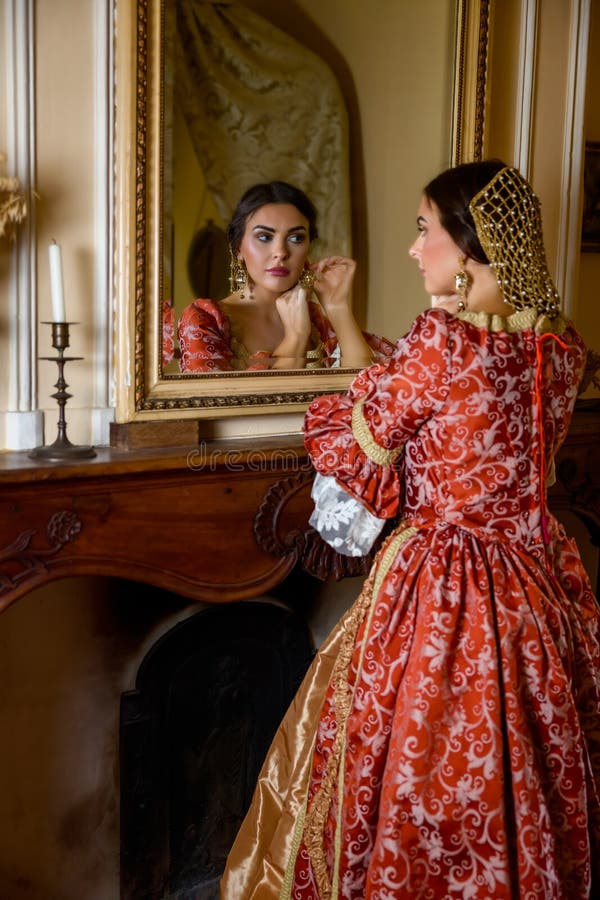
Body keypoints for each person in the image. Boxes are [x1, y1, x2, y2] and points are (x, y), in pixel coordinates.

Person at [220, 160, 600, 898]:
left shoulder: (443, 342)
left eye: (424, 230)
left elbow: (363, 442)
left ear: (467, 246)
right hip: (539, 582)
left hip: (443, 590)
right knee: (528, 769)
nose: (413, 248)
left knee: (416, 777)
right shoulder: (562, 347)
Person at [178, 181, 391, 372]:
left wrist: (337, 307)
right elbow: (228, 406)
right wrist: (295, 338)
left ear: (308, 248)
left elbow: (365, 389)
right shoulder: (205, 320)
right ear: (238, 249)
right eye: (264, 237)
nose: (280, 251)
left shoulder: (316, 322)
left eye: (296, 238)